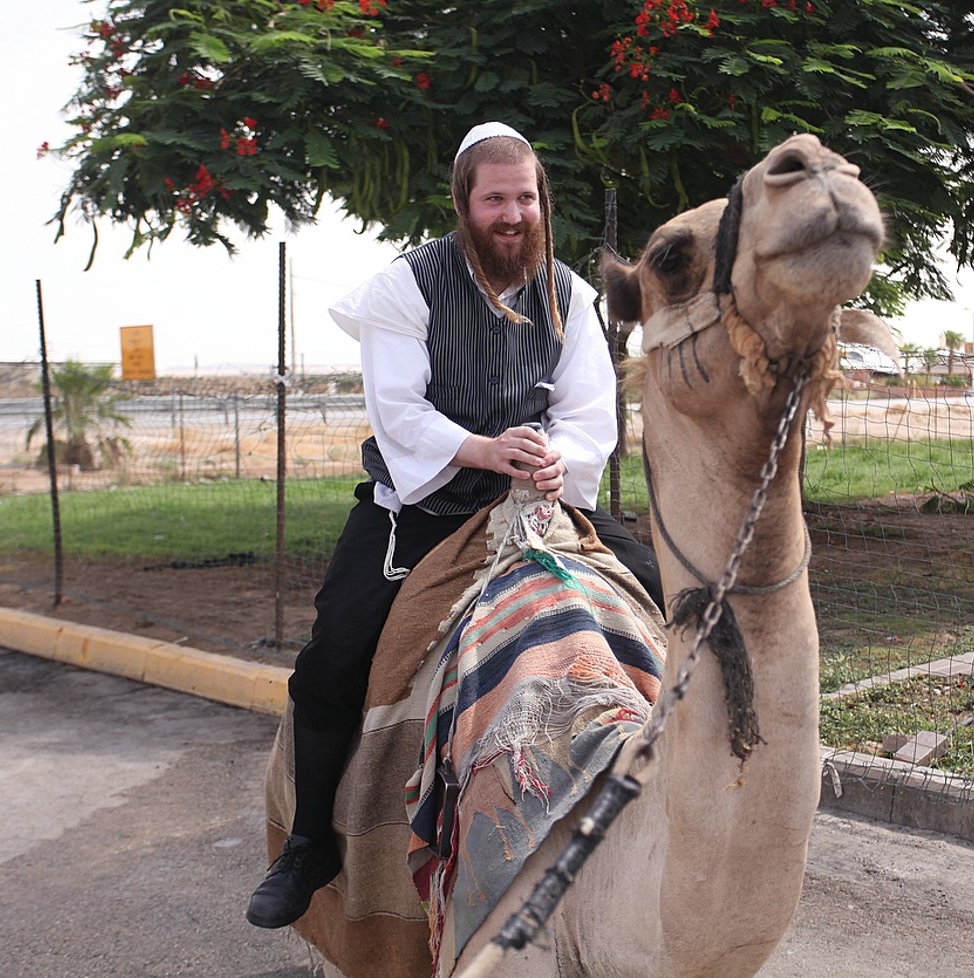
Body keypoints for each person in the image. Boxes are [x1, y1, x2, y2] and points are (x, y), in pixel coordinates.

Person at [245, 121, 662, 929]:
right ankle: (308, 844)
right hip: (425, 507)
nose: (514, 213)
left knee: (665, 595)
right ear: (466, 202)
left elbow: (587, 411)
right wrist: (482, 448)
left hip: (537, 501)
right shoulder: (406, 286)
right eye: (496, 197)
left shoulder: (567, 293)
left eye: (526, 197)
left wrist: (554, 460)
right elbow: (398, 409)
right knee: (336, 652)